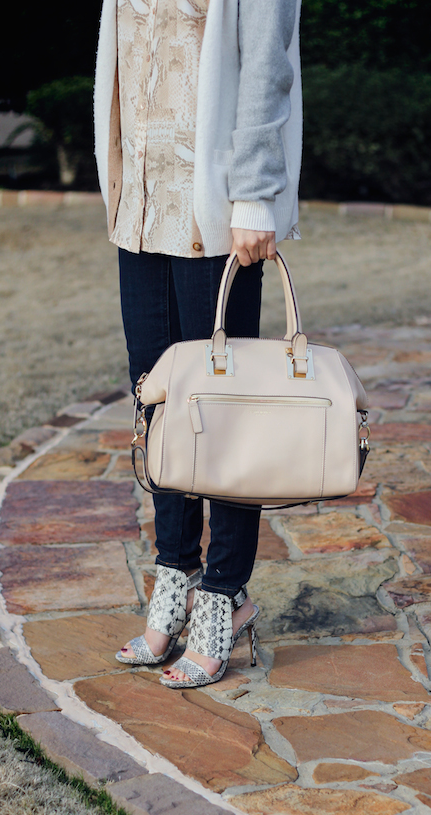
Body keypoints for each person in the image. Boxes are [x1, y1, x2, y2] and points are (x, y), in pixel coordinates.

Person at [93, 0, 302, 687]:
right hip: (142, 205)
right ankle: (174, 576)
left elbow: (266, 67)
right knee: (156, 405)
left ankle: (223, 596)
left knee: (222, 412)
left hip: (214, 212)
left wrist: (255, 197)